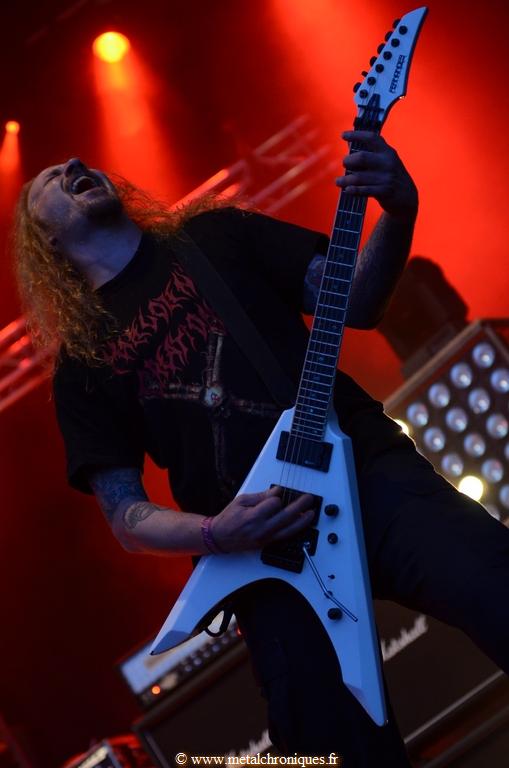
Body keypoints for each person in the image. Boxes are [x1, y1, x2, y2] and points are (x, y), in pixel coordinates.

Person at [14, 132, 509, 767]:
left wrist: (399, 210)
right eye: (52, 176)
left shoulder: (216, 236)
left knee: (493, 581)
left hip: (366, 474)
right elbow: (126, 516)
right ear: (48, 242)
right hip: (266, 558)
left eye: (77, 161)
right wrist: (217, 532)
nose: (76, 165)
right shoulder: (83, 363)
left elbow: (357, 298)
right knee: (331, 748)